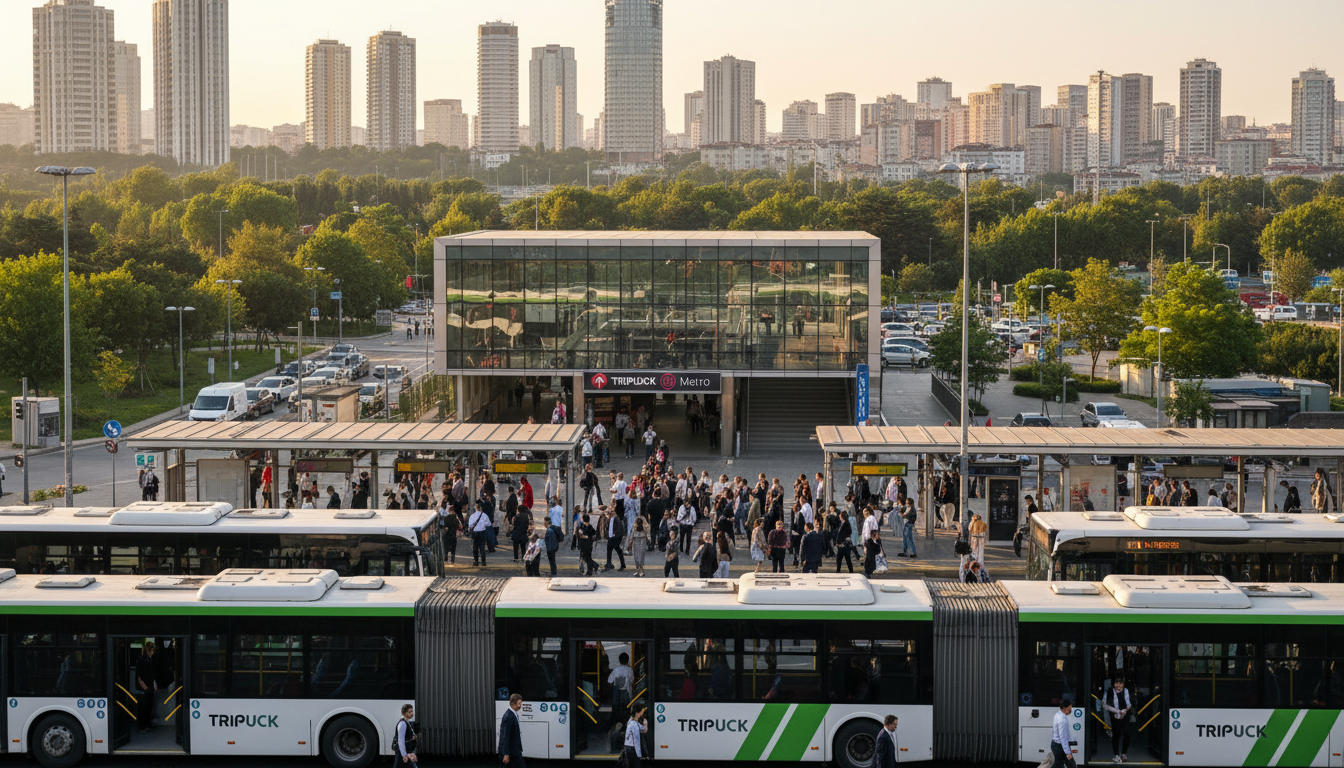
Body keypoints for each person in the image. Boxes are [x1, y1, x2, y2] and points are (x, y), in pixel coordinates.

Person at [1103, 678, 1131, 763]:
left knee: (1127, 734)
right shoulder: (1110, 691)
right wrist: (1118, 711)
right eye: (1116, 683)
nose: (1119, 686)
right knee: (1116, 735)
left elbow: (1129, 703)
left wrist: (1125, 711)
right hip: (1114, 716)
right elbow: (1105, 705)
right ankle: (1116, 755)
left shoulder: (1126, 691)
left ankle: (1124, 753)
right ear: (1113, 684)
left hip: (1125, 715)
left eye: (1121, 683)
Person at [135, 640, 157, 733]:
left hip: (149, 687)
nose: (153, 651)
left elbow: (152, 675)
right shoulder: (142, 660)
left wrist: (154, 684)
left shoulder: (149, 660)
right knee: (143, 708)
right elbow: (139, 677)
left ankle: (146, 724)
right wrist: (146, 688)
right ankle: (142, 726)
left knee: (148, 707)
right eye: (151, 649)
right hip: (145, 688)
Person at [608, 652, 634, 725]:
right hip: (626, 692)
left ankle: (616, 722)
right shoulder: (630, 670)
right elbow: (632, 681)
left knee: (616, 708)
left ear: (619, 660)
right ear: (627, 660)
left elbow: (610, 681)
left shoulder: (615, 670)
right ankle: (625, 722)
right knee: (625, 708)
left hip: (617, 692)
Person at [499, 693, 525, 767]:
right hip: (512, 752)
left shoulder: (513, 714)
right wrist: (506, 754)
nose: (520, 705)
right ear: (513, 703)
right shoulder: (508, 717)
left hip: (514, 751)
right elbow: (505, 736)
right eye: (519, 703)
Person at [1051, 700, 1078, 768]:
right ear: (1066, 708)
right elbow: (1063, 737)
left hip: (1056, 745)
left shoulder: (1058, 714)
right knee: (1071, 765)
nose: (1071, 710)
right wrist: (1068, 752)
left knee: (1058, 764)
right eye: (1070, 707)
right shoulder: (1062, 720)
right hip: (1060, 746)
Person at [624, 704, 648, 768]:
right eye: (642, 712)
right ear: (638, 713)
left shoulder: (631, 721)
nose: (642, 713)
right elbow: (636, 740)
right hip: (632, 748)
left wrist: (645, 724)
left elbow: (642, 729)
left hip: (628, 746)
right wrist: (639, 754)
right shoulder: (634, 724)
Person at [469, 502, 492, 567]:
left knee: (475, 547)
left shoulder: (472, 516)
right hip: (482, 532)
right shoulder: (484, 515)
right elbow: (488, 524)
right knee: (482, 547)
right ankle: (483, 562)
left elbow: (470, 525)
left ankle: (476, 561)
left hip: (475, 533)